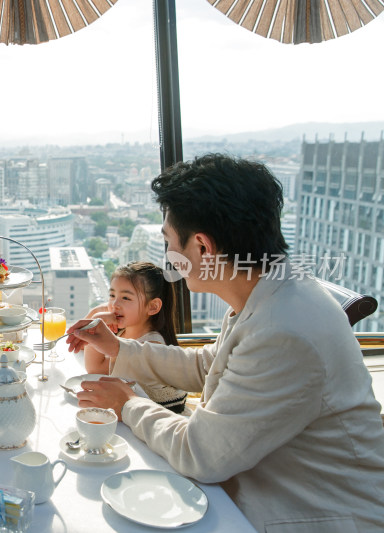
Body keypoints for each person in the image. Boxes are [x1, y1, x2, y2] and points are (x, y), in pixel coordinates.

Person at [66, 154, 384, 532]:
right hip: (264, 478)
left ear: (202, 246)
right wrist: (118, 348)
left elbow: (201, 454)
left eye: (169, 242)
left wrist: (128, 404)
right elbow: (208, 367)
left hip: (309, 512)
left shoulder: (284, 329)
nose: (169, 256)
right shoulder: (269, 292)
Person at [82, 261, 187, 413]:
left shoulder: (152, 345)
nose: (114, 304)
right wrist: (100, 312)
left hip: (161, 421)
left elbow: (95, 369)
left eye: (126, 298)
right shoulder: (124, 328)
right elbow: (80, 345)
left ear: (152, 307)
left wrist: (97, 319)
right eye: (112, 295)